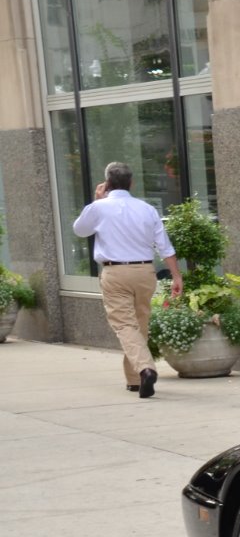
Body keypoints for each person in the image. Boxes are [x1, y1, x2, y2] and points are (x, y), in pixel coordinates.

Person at [70, 162, 183, 398]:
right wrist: (176, 275)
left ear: (107, 183)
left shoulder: (99, 207)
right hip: (145, 272)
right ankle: (134, 380)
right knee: (139, 325)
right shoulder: (147, 209)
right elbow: (165, 246)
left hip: (115, 272)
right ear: (132, 183)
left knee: (124, 325)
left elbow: (80, 230)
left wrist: (96, 200)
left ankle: (145, 369)